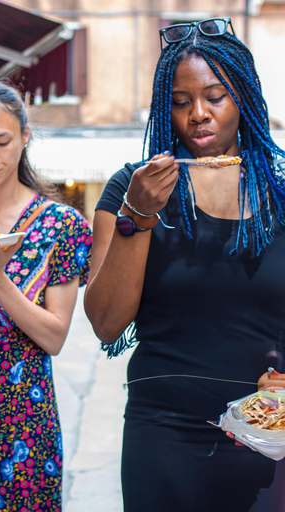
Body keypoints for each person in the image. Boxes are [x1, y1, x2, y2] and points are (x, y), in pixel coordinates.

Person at [84, 18, 285, 511]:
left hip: (269, 431)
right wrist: (138, 213)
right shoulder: (132, 187)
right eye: (179, 101)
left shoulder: (281, 190)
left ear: (245, 96)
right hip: (163, 432)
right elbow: (108, 323)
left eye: (215, 96)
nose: (198, 114)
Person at [0, 82, 91, 511]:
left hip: (24, 420)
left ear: (25, 136)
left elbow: (54, 337)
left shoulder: (60, 225)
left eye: (2, 142)